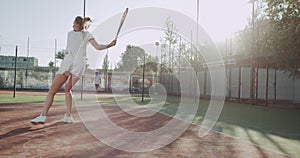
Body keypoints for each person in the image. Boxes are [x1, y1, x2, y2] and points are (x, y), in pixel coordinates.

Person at [31, 16, 116, 124]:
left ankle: (43, 116)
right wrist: (109, 45)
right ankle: (68, 116)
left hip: (74, 64)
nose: (72, 25)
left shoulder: (79, 34)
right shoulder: (77, 34)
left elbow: (97, 47)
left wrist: (110, 45)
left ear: (78, 24)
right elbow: (97, 47)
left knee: (52, 90)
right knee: (67, 89)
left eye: (74, 23)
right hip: (75, 64)